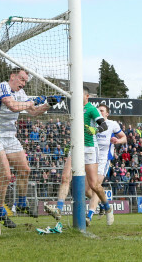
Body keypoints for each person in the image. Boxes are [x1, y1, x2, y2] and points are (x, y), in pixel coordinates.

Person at [0, 68, 55, 228]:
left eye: (25, 81)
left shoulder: (21, 95)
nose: (23, 83)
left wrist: (49, 104)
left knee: (25, 170)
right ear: (12, 77)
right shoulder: (2, 87)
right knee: (6, 176)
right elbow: (13, 106)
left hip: (10, 137)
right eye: (21, 79)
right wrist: (33, 101)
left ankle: (21, 203)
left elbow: (34, 112)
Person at [44, 87, 114, 227]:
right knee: (65, 177)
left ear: (86, 96)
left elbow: (104, 125)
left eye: (79, 94)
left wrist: (95, 130)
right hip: (75, 147)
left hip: (89, 148)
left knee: (94, 185)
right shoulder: (74, 108)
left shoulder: (92, 109)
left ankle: (107, 207)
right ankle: (58, 209)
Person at [89, 104, 126, 221]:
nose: (99, 112)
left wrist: (117, 140)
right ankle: (104, 206)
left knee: (96, 186)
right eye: (98, 110)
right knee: (87, 190)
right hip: (91, 157)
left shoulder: (112, 124)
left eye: (102, 111)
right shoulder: (92, 123)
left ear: (107, 114)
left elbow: (124, 137)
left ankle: (88, 216)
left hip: (103, 158)